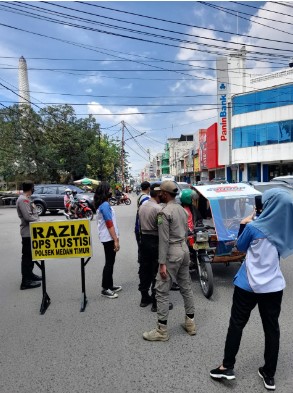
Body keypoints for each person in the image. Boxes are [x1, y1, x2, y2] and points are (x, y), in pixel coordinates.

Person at [210, 188, 293, 391]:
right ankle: (269, 375)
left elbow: (240, 247)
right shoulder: (285, 228)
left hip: (247, 285)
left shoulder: (254, 227)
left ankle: (227, 366)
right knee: (271, 329)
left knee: (236, 324)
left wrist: (243, 224)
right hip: (273, 287)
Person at [143, 180, 196, 341]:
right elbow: (187, 232)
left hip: (172, 252)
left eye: (160, 192)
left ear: (165, 194)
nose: (159, 194)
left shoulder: (164, 213)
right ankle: (190, 323)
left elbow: (164, 240)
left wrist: (162, 263)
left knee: (161, 289)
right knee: (186, 286)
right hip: (184, 249)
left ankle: (162, 330)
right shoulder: (182, 210)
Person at [138, 183, 174, 312]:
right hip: (154, 240)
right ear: (159, 194)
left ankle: (144, 298)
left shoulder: (142, 206)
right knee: (156, 272)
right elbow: (161, 228)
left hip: (144, 241)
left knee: (144, 270)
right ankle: (155, 302)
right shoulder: (158, 209)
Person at [94, 181, 122, 299]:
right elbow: (109, 223)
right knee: (109, 263)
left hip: (109, 237)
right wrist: (115, 239)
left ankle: (109, 285)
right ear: (105, 191)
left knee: (110, 262)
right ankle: (105, 288)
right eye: (109, 189)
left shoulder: (104, 204)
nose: (111, 191)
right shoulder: (105, 205)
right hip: (108, 238)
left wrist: (116, 237)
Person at [16, 180, 41, 290]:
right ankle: (25, 281)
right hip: (27, 232)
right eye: (33, 187)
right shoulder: (23, 200)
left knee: (31, 256)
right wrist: (40, 222)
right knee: (27, 257)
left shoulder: (27, 199)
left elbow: (33, 213)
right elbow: (28, 217)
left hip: (32, 232)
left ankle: (30, 275)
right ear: (31, 188)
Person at [134, 181, 150, 265]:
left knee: (140, 246)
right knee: (142, 246)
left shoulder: (140, 196)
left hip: (138, 224)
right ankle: (142, 264)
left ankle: (141, 261)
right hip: (141, 226)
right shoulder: (146, 199)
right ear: (148, 188)